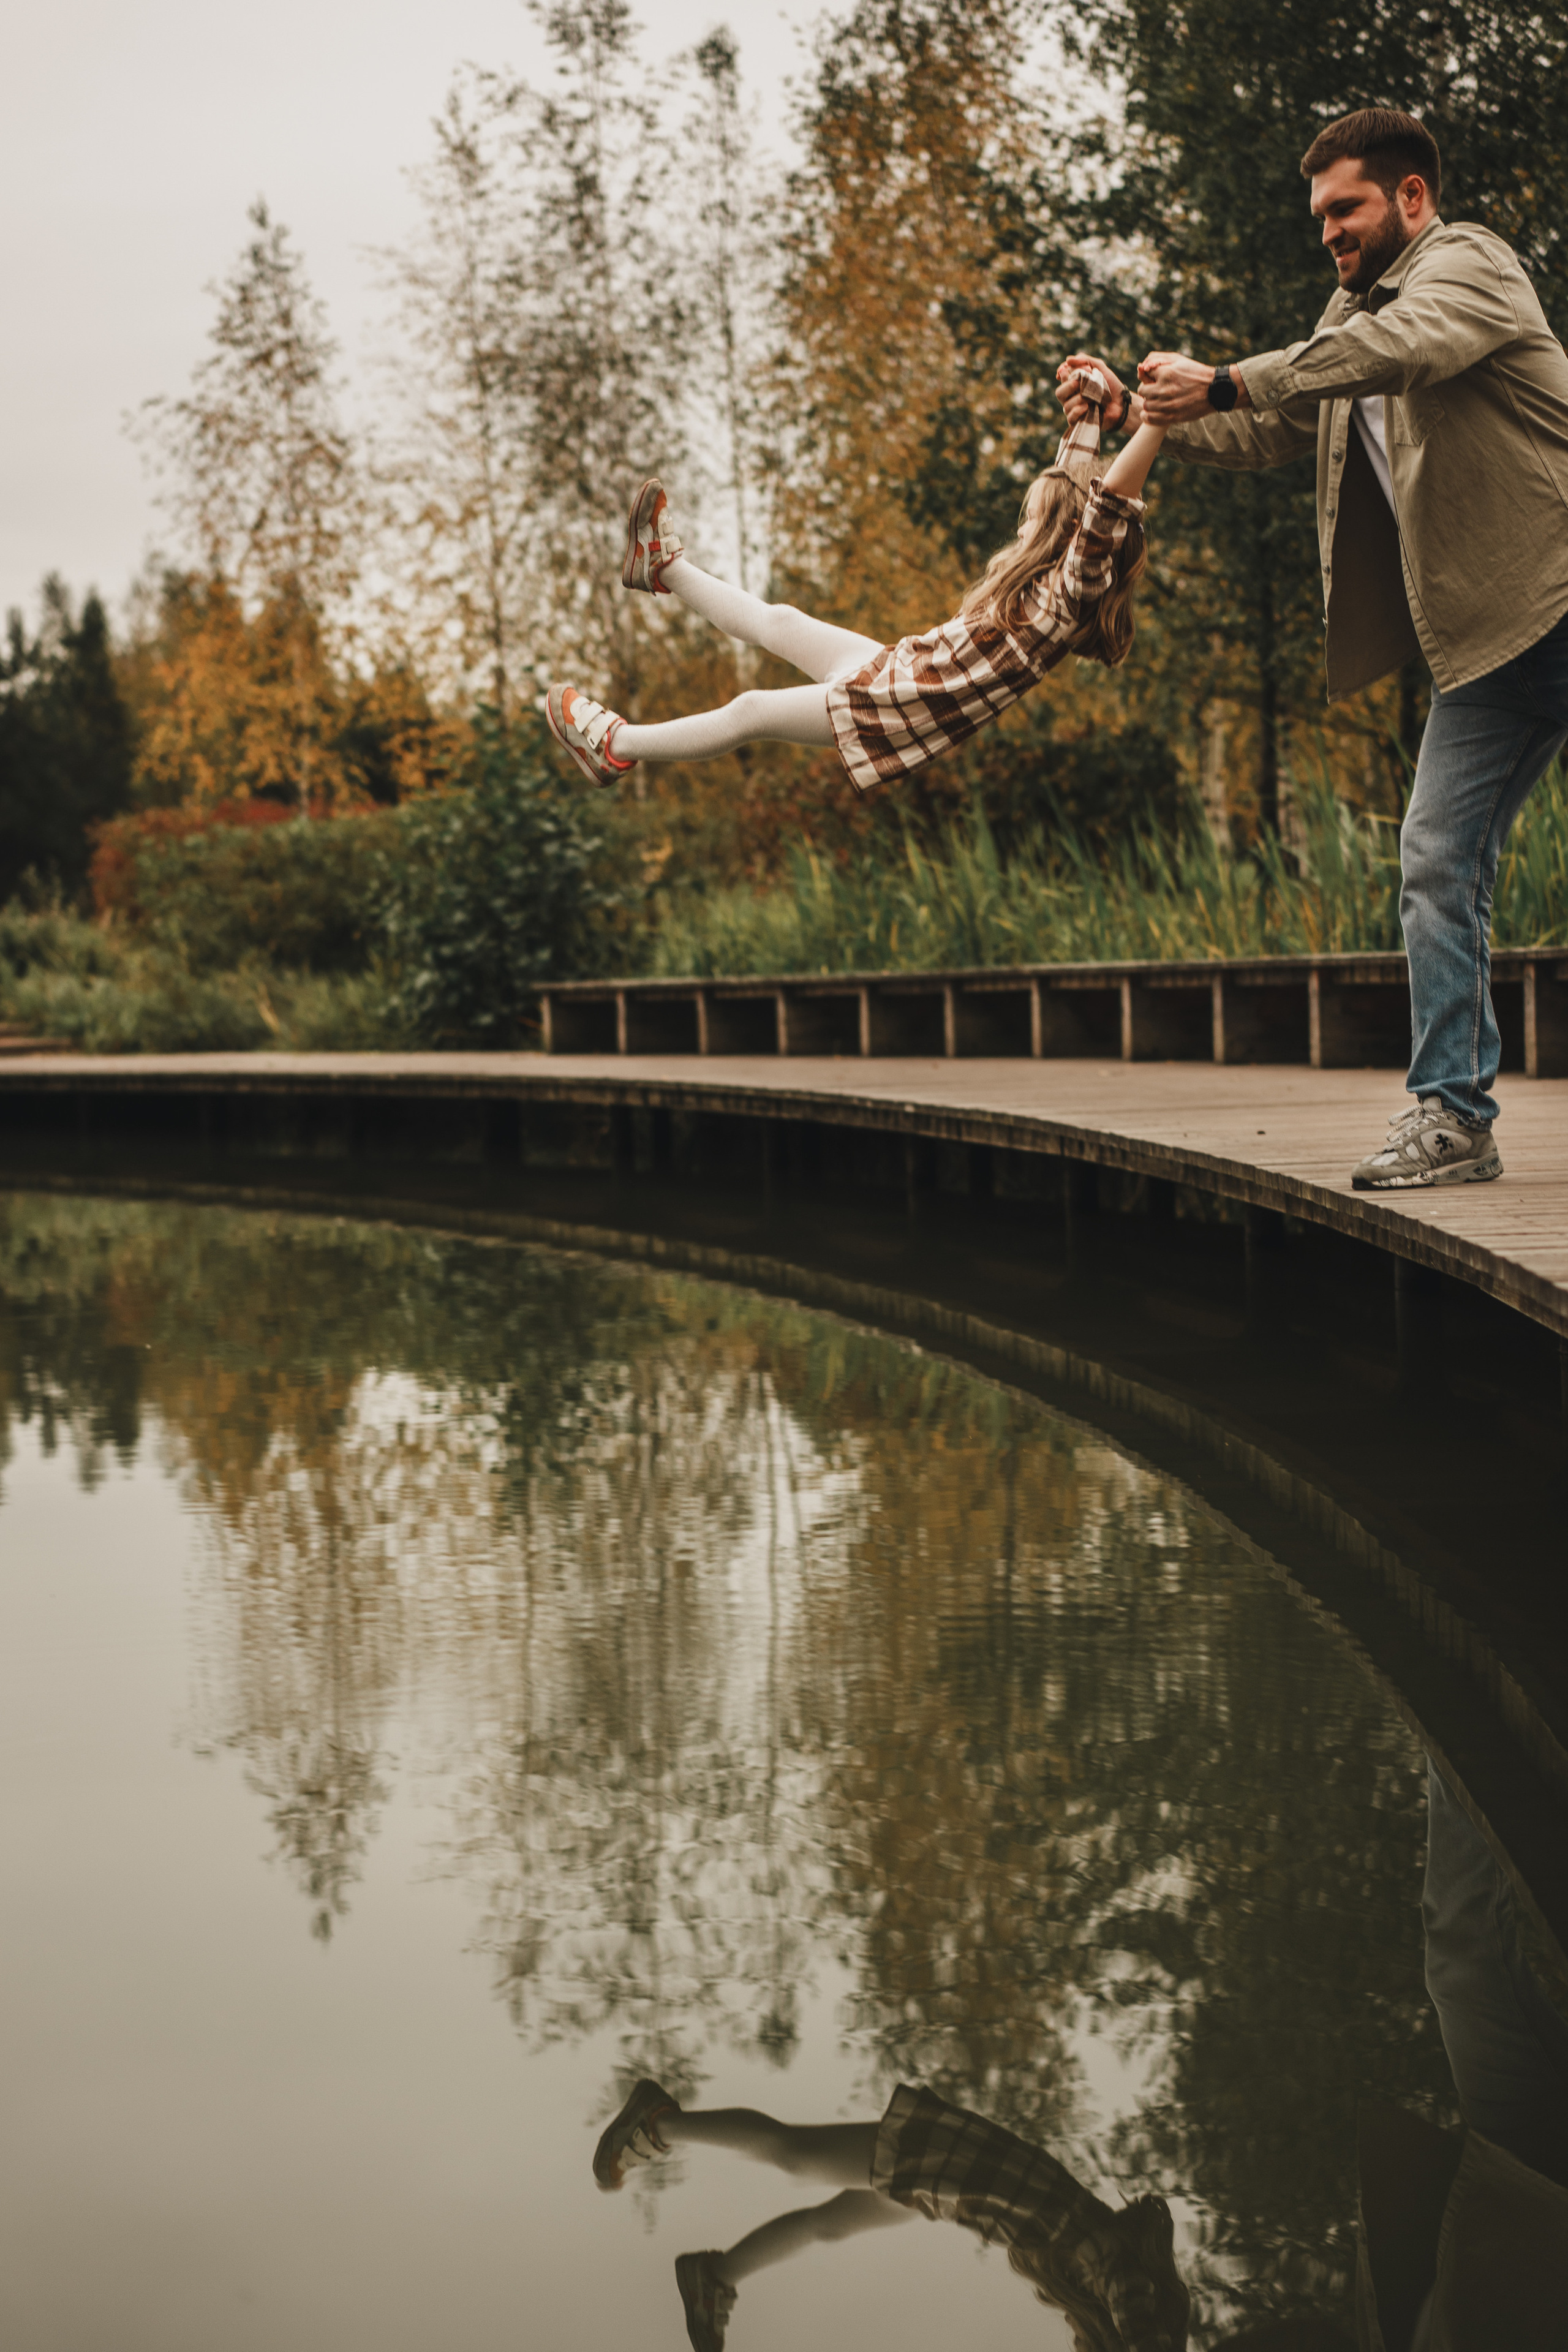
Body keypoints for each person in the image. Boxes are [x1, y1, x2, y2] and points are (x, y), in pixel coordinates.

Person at [1058, 106, 1568, 1194]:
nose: (1329, 232)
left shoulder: (1469, 267)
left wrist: (1234, 375)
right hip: (1490, 645)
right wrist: (1149, 409)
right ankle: (1455, 1120)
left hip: (1562, 593)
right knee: (1436, 858)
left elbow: (1401, 349)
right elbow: (1264, 426)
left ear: (1412, 199)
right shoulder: (1347, 317)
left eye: (1348, 208)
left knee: (1440, 856)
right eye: (1319, 216)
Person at [543, 376, 1164, 794]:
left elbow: (1103, 508)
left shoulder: (1061, 602)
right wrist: (1088, 408)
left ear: (1062, 537)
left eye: (1034, 519)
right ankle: (662, 567)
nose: (1023, 524)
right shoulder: (1047, 575)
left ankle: (615, 745)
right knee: (780, 620)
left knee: (753, 709)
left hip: (896, 708)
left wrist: (1157, 422)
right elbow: (1077, 481)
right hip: (899, 668)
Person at [590, 2071, 1192, 2352]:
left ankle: (714, 2277)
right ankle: (658, 2121)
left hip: (953, 2190)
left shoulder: (1093, 2270)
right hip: (954, 2164)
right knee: (797, 2156)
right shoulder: (1118, 2269)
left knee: (827, 2225)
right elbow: (1139, 2325)